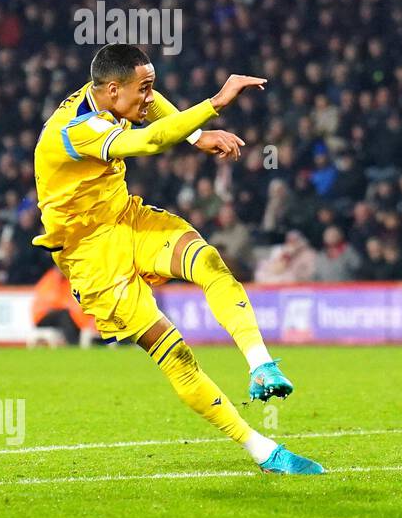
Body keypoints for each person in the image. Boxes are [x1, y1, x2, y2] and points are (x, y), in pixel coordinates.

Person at [32, 44, 323, 474]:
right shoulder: (77, 129)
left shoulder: (105, 92)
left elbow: (153, 111)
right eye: (143, 89)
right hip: (91, 255)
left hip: (125, 218)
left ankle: (261, 365)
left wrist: (194, 135)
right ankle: (262, 449)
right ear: (113, 91)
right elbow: (149, 140)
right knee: (176, 354)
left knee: (208, 262)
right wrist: (215, 106)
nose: (150, 97)